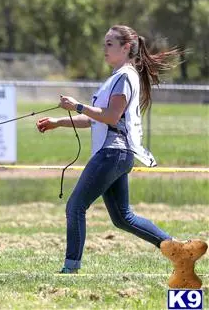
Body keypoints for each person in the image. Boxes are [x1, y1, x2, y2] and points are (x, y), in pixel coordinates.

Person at [36, 24, 206, 273]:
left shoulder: (125, 77)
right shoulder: (117, 77)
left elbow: (112, 117)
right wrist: (59, 122)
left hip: (112, 153)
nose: (104, 49)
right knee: (123, 218)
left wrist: (78, 106)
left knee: (75, 206)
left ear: (126, 48)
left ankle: (70, 268)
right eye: (105, 43)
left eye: (109, 44)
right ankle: (180, 251)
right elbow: (99, 118)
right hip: (115, 153)